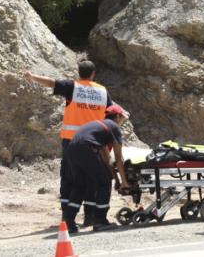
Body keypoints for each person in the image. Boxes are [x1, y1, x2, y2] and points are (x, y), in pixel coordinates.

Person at [25, 61, 113, 227]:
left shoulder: (73, 87)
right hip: (95, 141)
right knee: (92, 179)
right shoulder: (102, 91)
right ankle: (90, 217)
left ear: (78, 72)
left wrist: (32, 77)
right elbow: (111, 112)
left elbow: (51, 82)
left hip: (71, 141)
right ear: (93, 73)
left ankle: (67, 217)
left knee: (69, 178)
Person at [63, 105, 132, 233]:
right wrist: (124, 182)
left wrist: (116, 179)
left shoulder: (98, 127)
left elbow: (107, 159)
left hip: (72, 149)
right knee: (103, 183)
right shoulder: (114, 127)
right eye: (122, 119)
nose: (122, 122)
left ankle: (69, 222)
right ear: (117, 116)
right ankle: (100, 221)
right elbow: (118, 157)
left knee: (80, 185)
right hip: (86, 149)